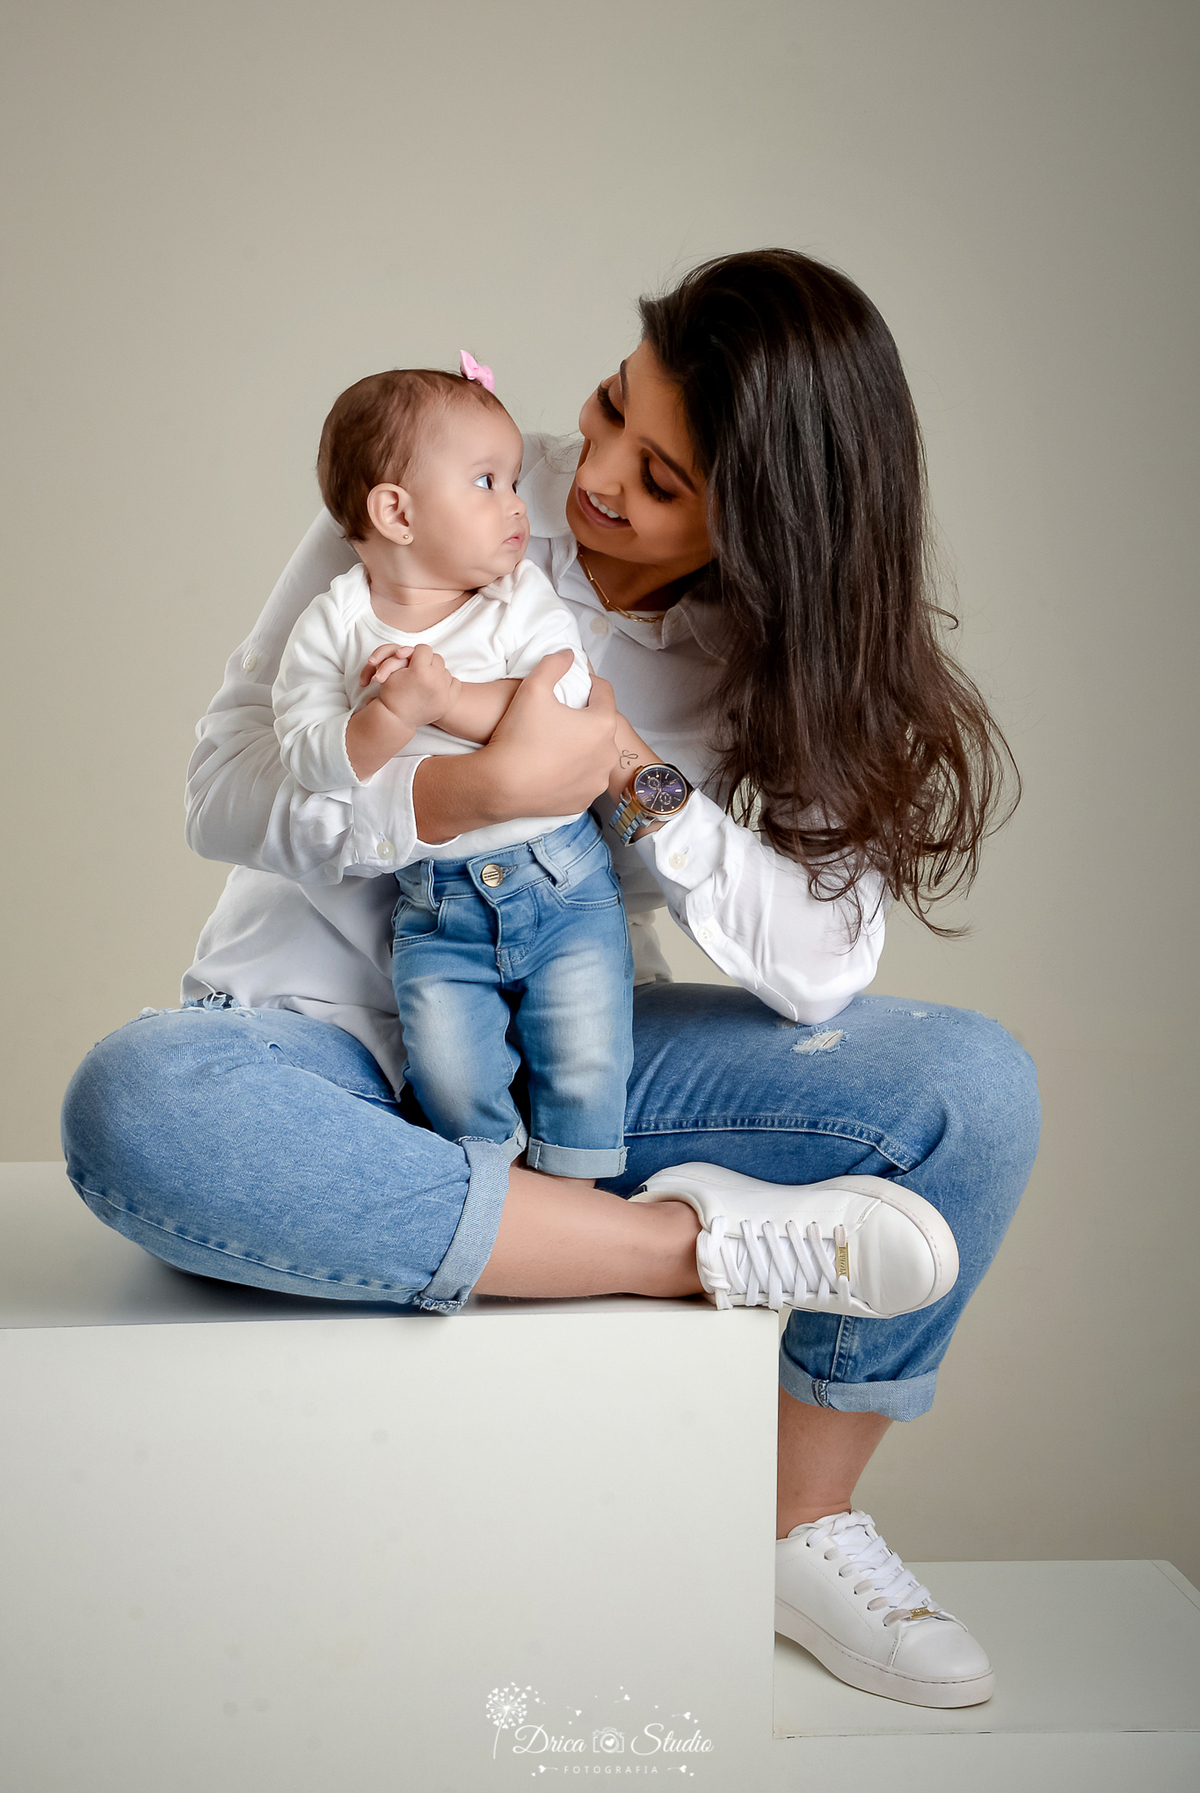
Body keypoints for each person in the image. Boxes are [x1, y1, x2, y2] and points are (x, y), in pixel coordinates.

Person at [61, 249, 1040, 1709]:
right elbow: (220, 792)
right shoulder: (441, 475)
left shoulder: (772, 648)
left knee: (972, 1092)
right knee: (141, 1106)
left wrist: (626, 779)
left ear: (764, 527)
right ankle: (689, 1248)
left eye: (664, 479)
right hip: (319, 1041)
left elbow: (828, 967)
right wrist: (461, 794)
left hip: (569, 1034)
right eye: (606, 412)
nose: (593, 481)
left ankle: (794, 1527)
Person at [272, 357, 632, 1179]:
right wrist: (387, 717)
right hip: (437, 903)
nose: (517, 504)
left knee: (586, 1052)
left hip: (563, 882)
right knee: (447, 1069)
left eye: (511, 480)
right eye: (486, 480)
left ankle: (583, 1189)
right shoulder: (334, 624)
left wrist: (443, 700)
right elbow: (307, 757)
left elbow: (566, 697)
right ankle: (494, 1194)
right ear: (396, 512)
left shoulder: (517, 597)